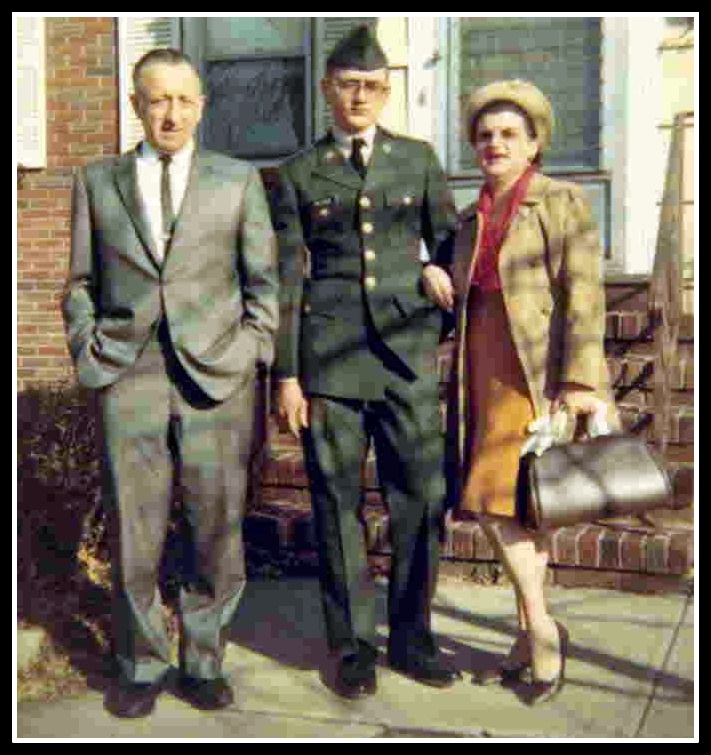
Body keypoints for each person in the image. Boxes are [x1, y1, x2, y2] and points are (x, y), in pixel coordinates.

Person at [62, 48, 279, 718]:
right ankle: (140, 661)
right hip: (130, 372)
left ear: (202, 106)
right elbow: (78, 284)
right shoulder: (98, 181)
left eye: (184, 100)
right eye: (157, 99)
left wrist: (250, 350)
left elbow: (263, 287)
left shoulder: (237, 181)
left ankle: (204, 658)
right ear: (135, 104)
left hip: (216, 376)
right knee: (136, 526)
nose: (171, 113)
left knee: (216, 525)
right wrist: (88, 351)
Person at [270, 25, 460, 698]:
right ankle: (352, 646)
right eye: (347, 85)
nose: (359, 97)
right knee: (335, 500)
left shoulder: (417, 158)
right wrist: (286, 373)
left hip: (404, 354)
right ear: (327, 90)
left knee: (421, 496)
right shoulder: (298, 172)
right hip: (329, 361)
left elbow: (450, 243)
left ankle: (411, 638)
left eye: (372, 87)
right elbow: (288, 275)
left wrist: (439, 279)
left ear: (387, 93)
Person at [441, 79, 618, 704]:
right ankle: (527, 634)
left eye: (508, 134)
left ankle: (542, 631)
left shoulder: (560, 202)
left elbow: (584, 293)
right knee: (515, 507)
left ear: (535, 142)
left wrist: (578, 380)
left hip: (535, 367)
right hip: (481, 362)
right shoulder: (469, 217)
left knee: (493, 498)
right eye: (484, 135)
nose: (494, 143)